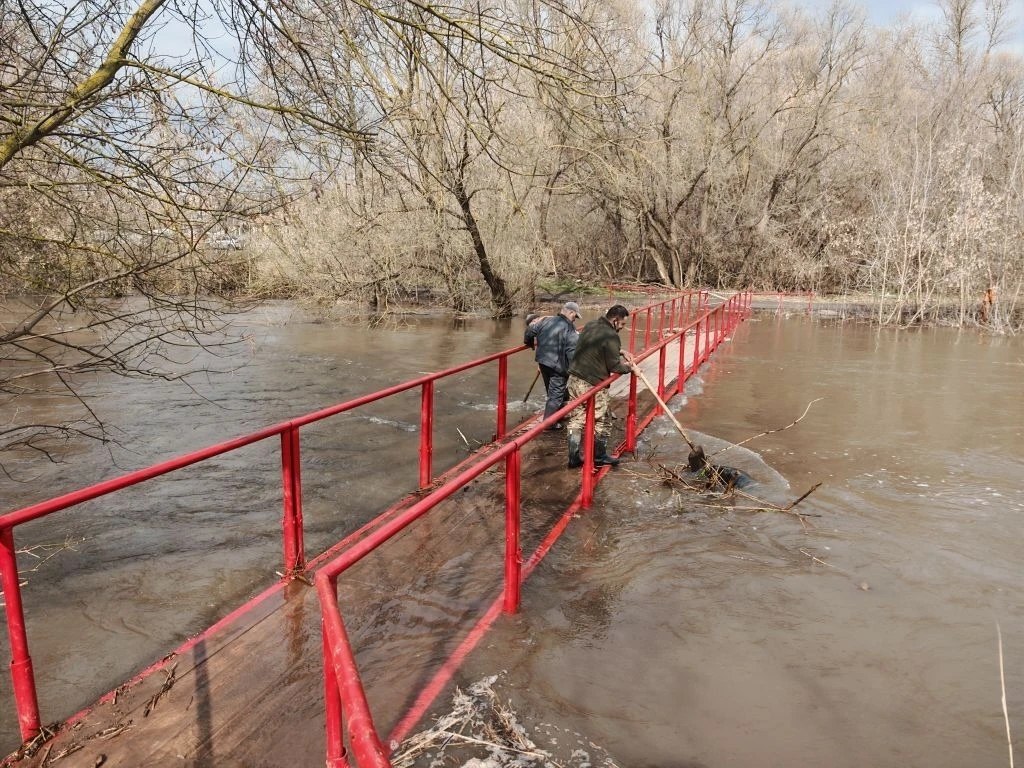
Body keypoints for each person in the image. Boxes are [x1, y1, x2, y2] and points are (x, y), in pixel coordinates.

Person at [564, 304, 638, 468]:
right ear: (615, 320)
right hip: (592, 384)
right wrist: (630, 367)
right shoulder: (611, 336)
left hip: (574, 378)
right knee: (603, 420)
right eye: (622, 324)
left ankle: (573, 457)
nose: (622, 328)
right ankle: (599, 455)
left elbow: (598, 346)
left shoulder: (591, 325)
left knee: (577, 419)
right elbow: (615, 366)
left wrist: (621, 351)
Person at [524, 302, 581, 430]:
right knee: (555, 396)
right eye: (575, 316)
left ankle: (558, 414)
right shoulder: (569, 328)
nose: (575, 319)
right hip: (558, 366)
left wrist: (528, 342)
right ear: (571, 312)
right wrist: (575, 369)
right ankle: (549, 424)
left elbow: (530, 329)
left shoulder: (546, 321)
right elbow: (572, 351)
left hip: (543, 362)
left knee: (553, 392)